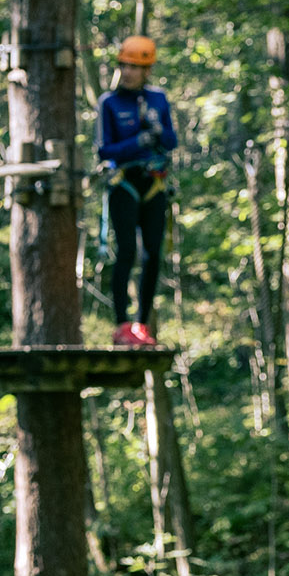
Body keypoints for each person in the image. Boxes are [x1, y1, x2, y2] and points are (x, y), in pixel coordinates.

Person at [96, 33, 177, 347]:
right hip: (124, 183)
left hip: (154, 183)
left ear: (147, 71)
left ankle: (142, 324)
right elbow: (104, 150)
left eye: (134, 67)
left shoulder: (158, 99)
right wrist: (137, 142)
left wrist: (158, 131)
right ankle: (121, 324)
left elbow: (172, 141)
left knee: (152, 254)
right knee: (127, 251)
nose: (128, 72)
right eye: (124, 66)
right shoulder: (110, 102)